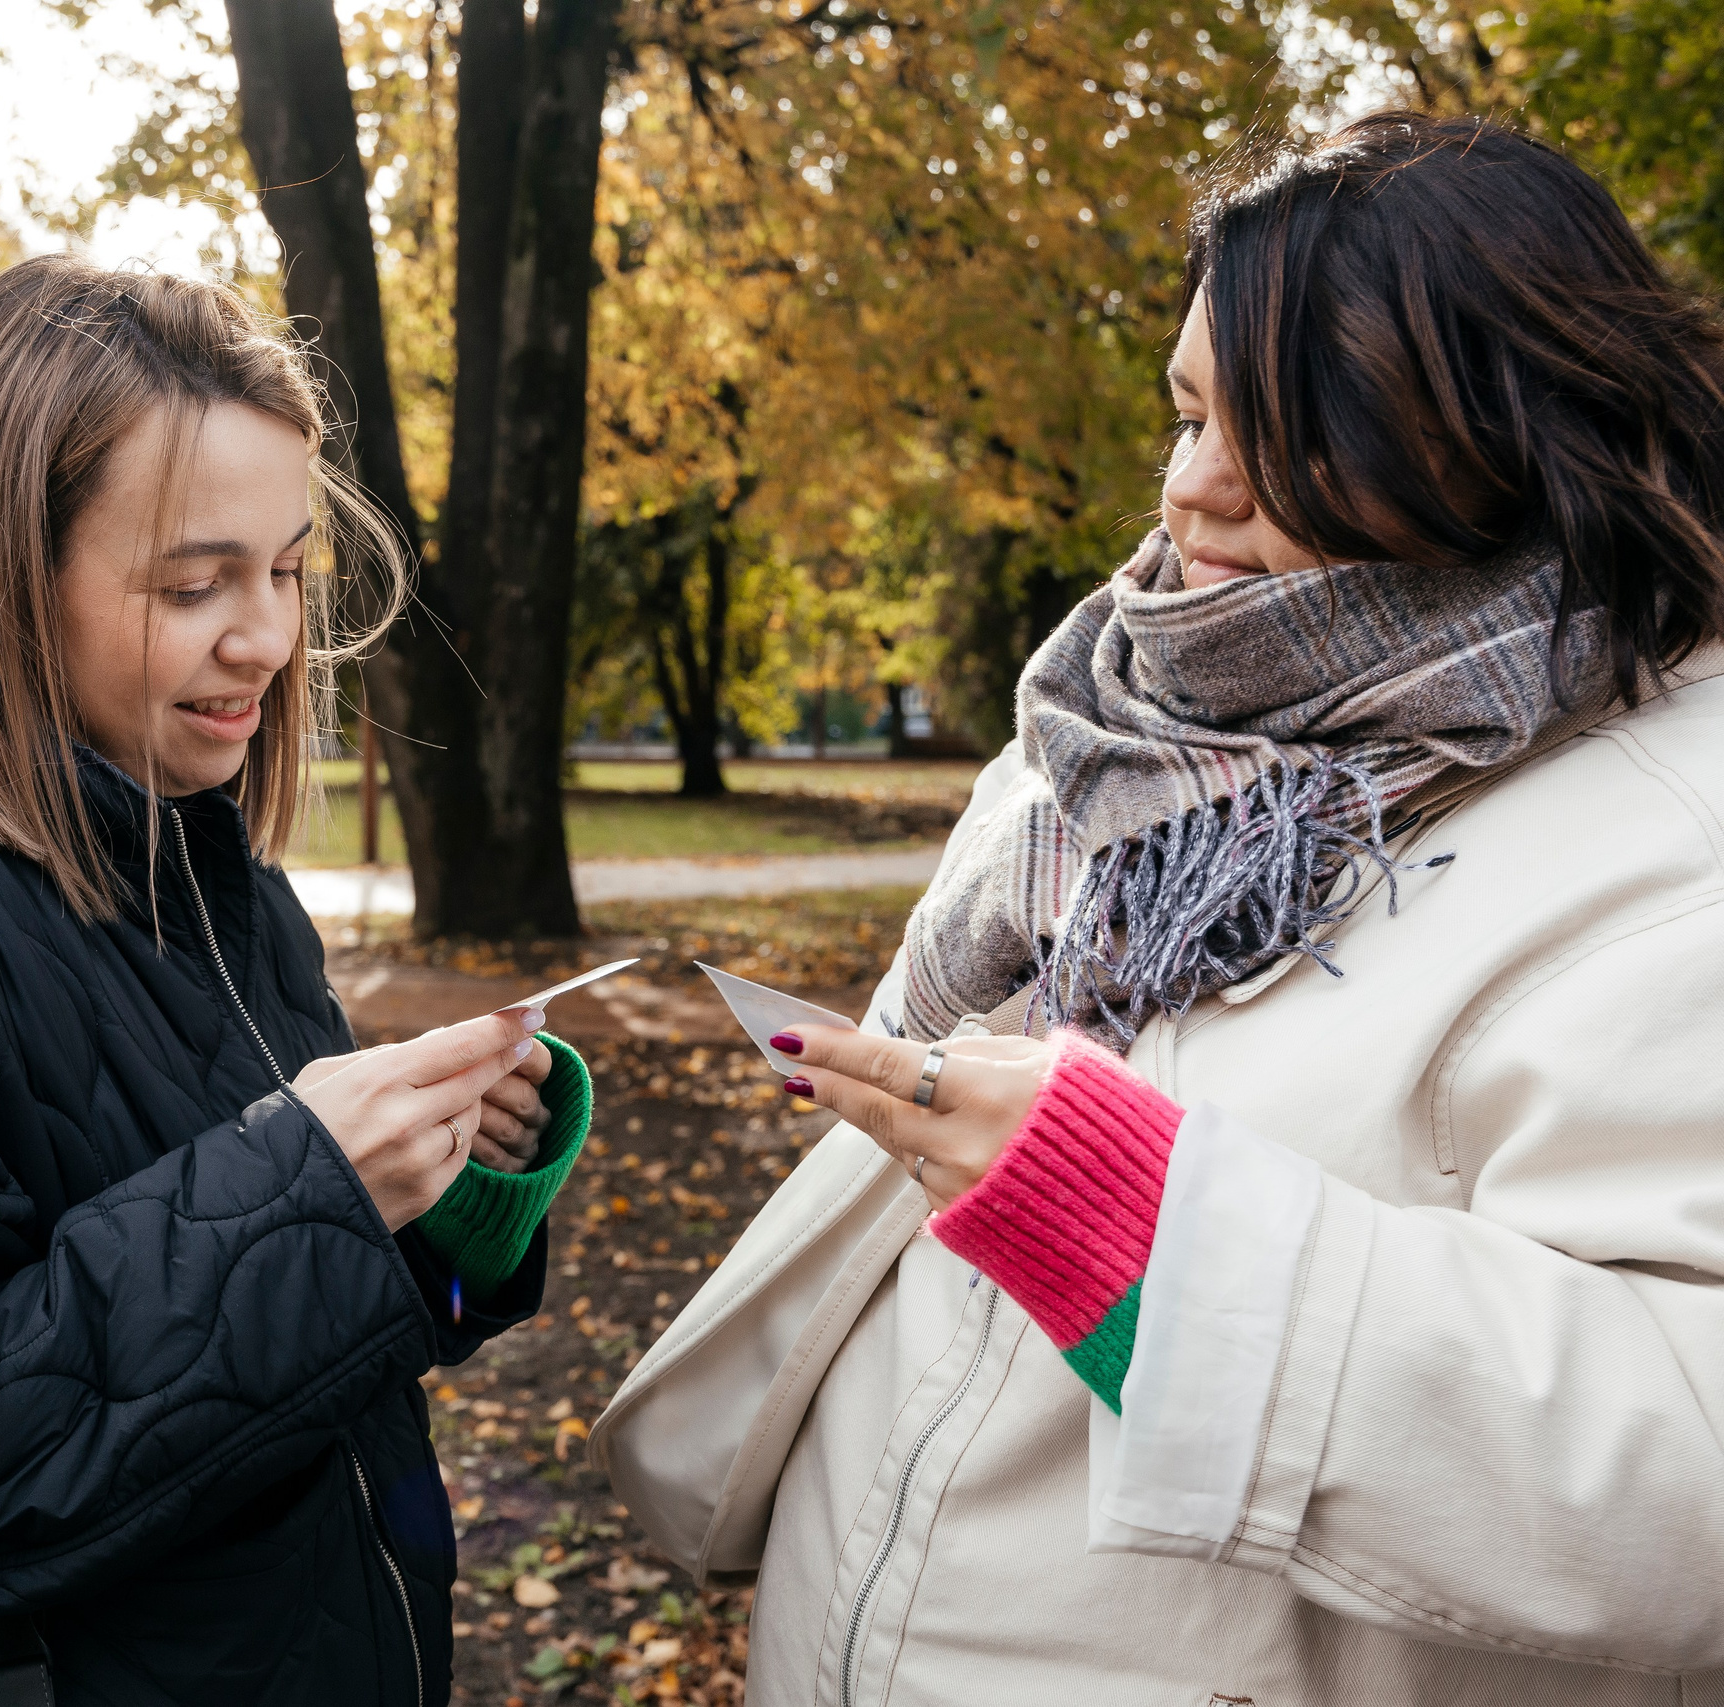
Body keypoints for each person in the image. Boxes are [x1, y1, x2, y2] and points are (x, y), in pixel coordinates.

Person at [690, 113, 1724, 1704]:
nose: (1194, 497)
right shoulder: (1104, 727)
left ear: (1508, 431)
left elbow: (1688, 1495)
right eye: (1185, 417)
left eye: (1300, 438)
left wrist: (1148, 1243)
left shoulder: (1679, 844)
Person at [0, 257, 596, 1705]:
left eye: (284, 572)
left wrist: (448, 1202)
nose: (265, 636)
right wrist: (311, 1190)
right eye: (195, 582)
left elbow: (264, 1356)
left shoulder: (197, 862)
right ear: (1, 575)